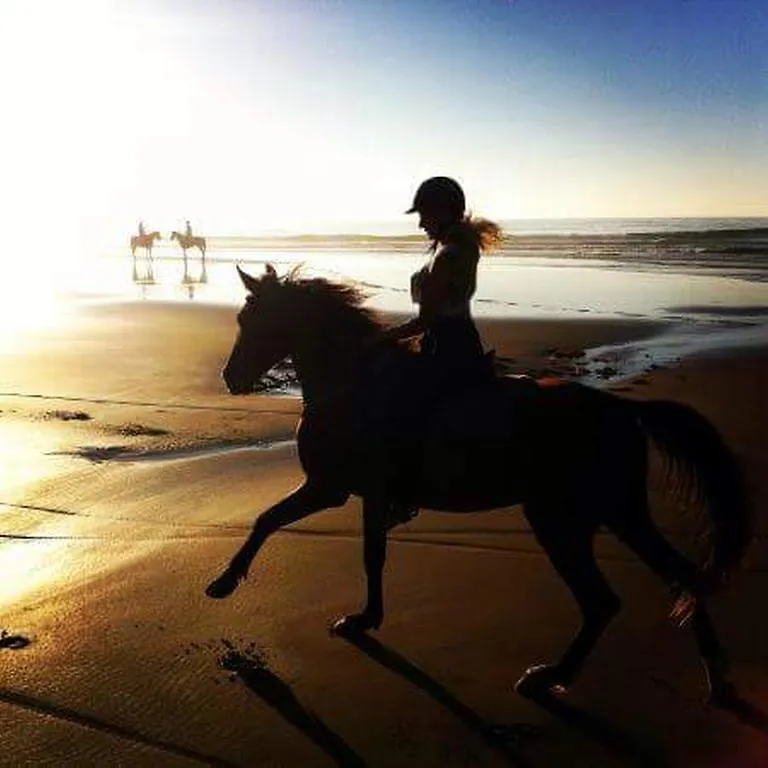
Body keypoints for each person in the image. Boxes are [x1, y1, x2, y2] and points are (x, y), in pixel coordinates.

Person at [372, 176, 502, 527]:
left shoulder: (447, 255)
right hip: (459, 341)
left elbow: (425, 321)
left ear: (443, 211)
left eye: (424, 213)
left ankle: (404, 494)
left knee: (399, 410)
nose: (420, 222)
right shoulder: (458, 246)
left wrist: (383, 339)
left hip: (446, 349)